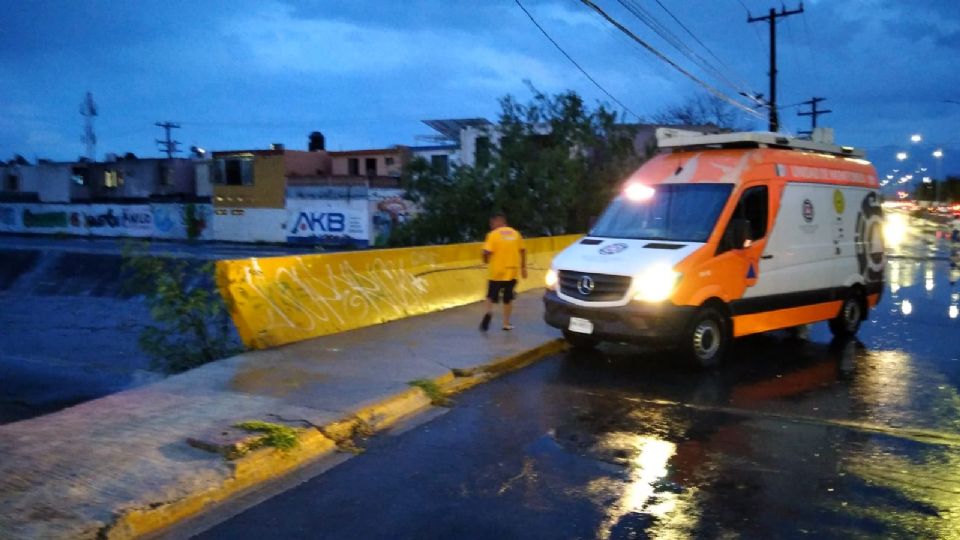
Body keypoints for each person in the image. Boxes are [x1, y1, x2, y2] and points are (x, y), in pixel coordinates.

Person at [480, 213, 527, 331]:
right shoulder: (516, 234)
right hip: (512, 271)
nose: (491, 226)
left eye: (492, 223)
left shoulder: (492, 235)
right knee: (508, 298)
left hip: (496, 272)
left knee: (490, 296)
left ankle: (489, 312)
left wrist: (485, 259)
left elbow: (486, 252)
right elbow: (522, 250)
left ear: (497, 222)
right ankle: (506, 324)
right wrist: (523, 268)